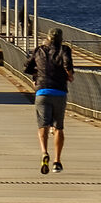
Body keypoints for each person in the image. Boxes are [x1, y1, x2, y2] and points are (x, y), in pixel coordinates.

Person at [25, 27, 73, 174]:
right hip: (59, 92)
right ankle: (57, 162)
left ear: (48, 38)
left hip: (42, 92)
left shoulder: (39, 50)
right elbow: (68, 65)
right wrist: (69, 76)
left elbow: (27, 67)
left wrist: (37, 77)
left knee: (43, 126)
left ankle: (44, 152)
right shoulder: (64, 49)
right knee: (59, 127)